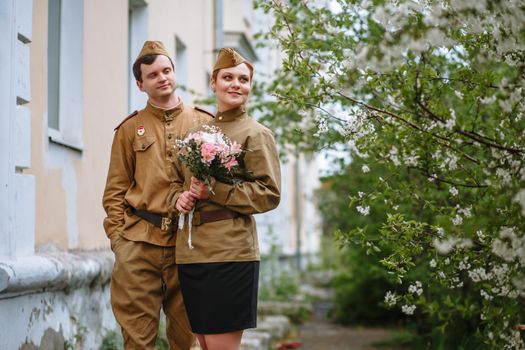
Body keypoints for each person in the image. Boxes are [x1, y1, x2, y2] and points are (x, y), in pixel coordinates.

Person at [102, 40, 213, 350]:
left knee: (186, 338)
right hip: (139, 244)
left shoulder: (204, 122)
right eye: (153, 75)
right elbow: (115, 190)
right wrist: (120, 241)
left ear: (174, 73)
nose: (162, 78)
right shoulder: (129, 129)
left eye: (167, 71)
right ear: (140, 84)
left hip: (189, 246)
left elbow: (220, 185)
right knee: (137, 339)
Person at [168, 48, 281, 350]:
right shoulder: (197, 133)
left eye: (243, 79)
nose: (236, 84)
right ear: (213, 83)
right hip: (192, 253)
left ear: (250, 86)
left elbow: (269, 194)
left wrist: (214, 191)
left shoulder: (256, 134)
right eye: (228, 77)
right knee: (204, 345)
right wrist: (180, 198)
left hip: (230, 254)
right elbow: (180, 184)